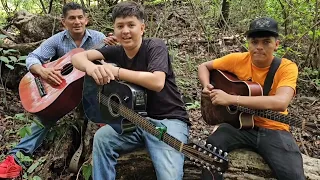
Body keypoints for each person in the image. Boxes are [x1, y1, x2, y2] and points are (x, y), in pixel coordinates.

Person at [71, 1, 190, 180]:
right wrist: (91, 68)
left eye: (131, 25)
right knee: (102, 138)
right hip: (135, 122)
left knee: (169, 176)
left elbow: (157, 82)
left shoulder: (155, 46)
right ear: (114, 30)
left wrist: (117, 71)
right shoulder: (117, 51)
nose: (125, 31)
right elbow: (78, 57)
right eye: (120, 26)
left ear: (142, 28)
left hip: (168, 121)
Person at [0, 2, 116, 178]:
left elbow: (108, 65)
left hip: (92, 95)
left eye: (80, 17)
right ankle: (15, 160)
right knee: (43, 120)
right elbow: (32, 58)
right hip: (60, 94)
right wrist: (42, 71)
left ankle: (108, 138)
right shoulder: (57, 40)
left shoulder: (99, 38)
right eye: (72, 18)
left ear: (87, 19)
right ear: (64, 22)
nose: (77, 21)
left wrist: (112, 48)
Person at [198, 17, 305, 180]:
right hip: (240, 126)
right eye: (254, 42)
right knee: (210, 150)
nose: (259, 47)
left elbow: (280, 102)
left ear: (276, 44)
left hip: (275, 129)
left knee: (293, 176)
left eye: (266, 42)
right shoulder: (237, 60)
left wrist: (232, 99)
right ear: (249, 43)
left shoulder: (287, 68)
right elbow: (203, 66)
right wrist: (206, 86)